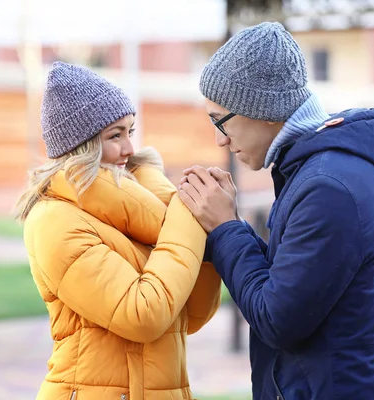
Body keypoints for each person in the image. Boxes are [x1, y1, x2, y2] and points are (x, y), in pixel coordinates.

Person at [178, 22, 374, 399]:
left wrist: (227, 227)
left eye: (220, 120)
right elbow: (288, 284)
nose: (219, 139)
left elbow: (277, 319)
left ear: (265, 110)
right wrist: (227, 225)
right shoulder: (316, 170)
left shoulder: (330, 186)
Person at [16, 61, 222, 400]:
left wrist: (170, 198)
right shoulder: (55, 221)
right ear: (81, 146)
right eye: (115, 135)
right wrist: (186, 214)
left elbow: (191, 315)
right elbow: (144, 315)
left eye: (130, 132)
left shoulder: (138, 210)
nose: (129, 148)